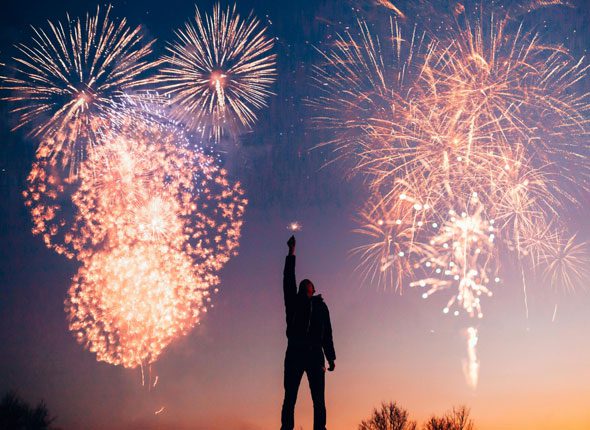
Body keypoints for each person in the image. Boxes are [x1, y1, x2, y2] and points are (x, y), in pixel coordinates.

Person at [280, 235, 336, 430]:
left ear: (313, 289)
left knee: (318, 400)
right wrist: (291, 252)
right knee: (290, 398)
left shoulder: (321, 307)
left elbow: (327, 333)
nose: (305, 283)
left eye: (308, 283)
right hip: (295, 352)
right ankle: (286, 428)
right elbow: (288, 279)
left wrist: (331, 357)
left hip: (314, 355)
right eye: (302, 283)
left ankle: (319, 428)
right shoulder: (293, 304)